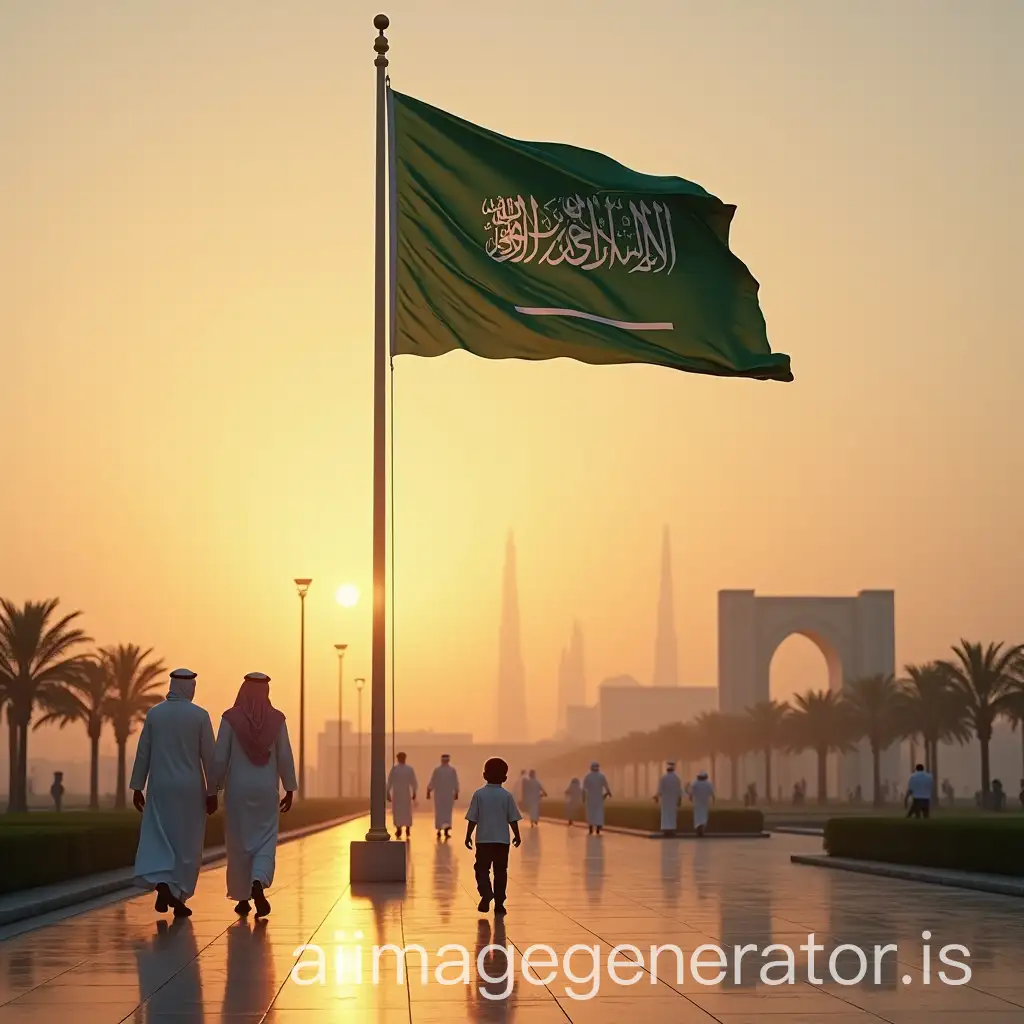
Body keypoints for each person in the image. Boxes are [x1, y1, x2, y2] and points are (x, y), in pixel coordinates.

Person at [130, 668, 218, 917]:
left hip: (160, 787)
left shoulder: (154, 715)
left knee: (160, 837)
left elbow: (143, 752)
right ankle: (178, 894)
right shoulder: (200, 716)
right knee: (187, 843)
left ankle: (163, 885)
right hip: (190, 789)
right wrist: (212, 792)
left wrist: (137, 786)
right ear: (188, 687)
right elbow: (209, 758)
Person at [214, 672, 297, 918]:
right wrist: (290, 788)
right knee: (265, 841)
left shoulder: (230, 719)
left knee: (238, 842)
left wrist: (213, 789)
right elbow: (285, 756)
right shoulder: (277, 720)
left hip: (237, 790)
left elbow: (220, 757)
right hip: (265, 790)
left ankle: (242, 898)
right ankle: (258, 882)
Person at [465, 757, 521, 915]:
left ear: (484, 775)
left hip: (483, 840)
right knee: (500, 871)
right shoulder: (507, 796)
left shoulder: (479, 795)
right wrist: (517, 835)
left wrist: (468, 835)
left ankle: (486, 893)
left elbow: (472, 818)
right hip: (502, 841)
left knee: (481, 869)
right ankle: (499, 903)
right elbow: (513, 819)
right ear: (505, 777)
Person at [427, 754, 459, 840]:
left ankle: (445, 830)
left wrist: (456, 792)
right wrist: (429, 790)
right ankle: (440, 830)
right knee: (442, 812)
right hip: (441, 794)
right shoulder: (438, 770)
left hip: (446, 794)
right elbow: (433, 781)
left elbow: (455, 782)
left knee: (445, 813)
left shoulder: (451, 770)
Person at [387, 751, 417, 838]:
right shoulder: (406, 769)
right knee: (402, 811)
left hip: (400, 793)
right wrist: (414, 791)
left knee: (401, 811)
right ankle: (401, 828)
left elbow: (390, 782)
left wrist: (388, 792)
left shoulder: (396, 769)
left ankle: (404, 828)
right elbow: (390, 781)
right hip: (401, 793)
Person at [582, 762, 611, 835]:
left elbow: (584, 789)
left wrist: (583, 797)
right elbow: (606, 785)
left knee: (590, 813)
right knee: (599, 812)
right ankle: (598, 827)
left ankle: (590, 828)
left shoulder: (588, 776)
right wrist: (608, 792)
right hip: (598, 797)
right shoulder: (601, 776)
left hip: (590, 797)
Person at [655, 761, 683, 836]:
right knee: (672, 814)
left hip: (665, 800)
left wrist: (657, 797)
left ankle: (665, 829)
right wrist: (679, 799)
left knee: (665, 814)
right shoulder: (677, 778)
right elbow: (679, 790)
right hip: (673, 799)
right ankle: (672, 829)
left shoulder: (663, 778)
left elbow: (660, 790)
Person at [689, 771, 714, 836]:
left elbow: (691, 792)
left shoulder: (695, 783)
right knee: (704, 816)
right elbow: (712, 793)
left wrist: (690, 798)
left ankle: (698, 829)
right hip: (705, 802)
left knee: (697, 816)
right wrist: (713, 799)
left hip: (697, 802)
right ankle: (702, 829)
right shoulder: (708, 783)